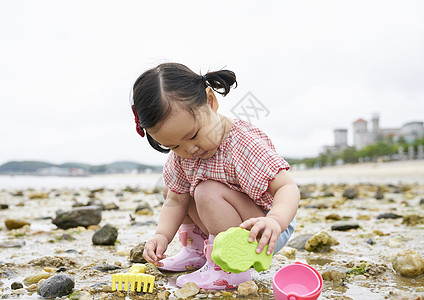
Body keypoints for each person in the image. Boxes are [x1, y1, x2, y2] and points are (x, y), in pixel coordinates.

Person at [131, 62, 300, 290]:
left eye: (193, 135)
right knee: (176, 190)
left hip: (263, 228)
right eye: (173, 145)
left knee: (206, 190)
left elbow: (286, 187)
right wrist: (162, 236)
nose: (188, 150)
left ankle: (230, 269)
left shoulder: (243, 144)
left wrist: (275, 221)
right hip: (230, 221)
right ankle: (196, 250)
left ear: (211, 101)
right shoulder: (182, 155)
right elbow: (176, 200)